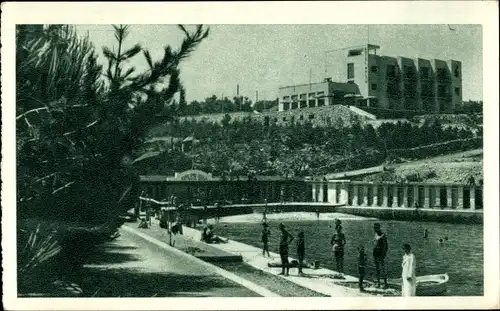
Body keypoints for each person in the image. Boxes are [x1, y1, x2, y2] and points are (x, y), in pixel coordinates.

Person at [373, 223, 389, 288]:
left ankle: (385, 284)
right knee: (377, 269)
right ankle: (378, 283)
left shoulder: (383, 235)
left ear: (379, 228)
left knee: (382, 268)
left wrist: (383, 255)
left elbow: (386, 246)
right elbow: (375, 244)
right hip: (375, 253)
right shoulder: (376, 234)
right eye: (374, 228)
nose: (374, 229)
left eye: (376, 228)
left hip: (380, 254)